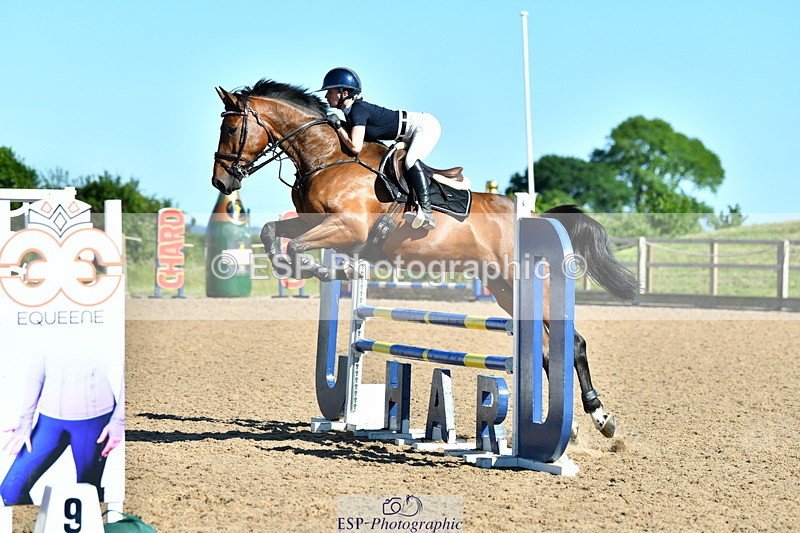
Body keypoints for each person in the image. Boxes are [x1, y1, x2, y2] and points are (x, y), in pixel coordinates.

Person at [320, 67, 441, 230]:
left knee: (411, 161)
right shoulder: (352, 111)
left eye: (330, 91)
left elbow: (355, 147)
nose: (326, 96)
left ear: (345, 92)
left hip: (424, 127)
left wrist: (338, 126)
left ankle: (427, 212)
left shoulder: (357, 110)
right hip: (406, 133)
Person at [0, 350, 124, 505]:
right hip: (49, 421)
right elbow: (38, 366)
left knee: (88, 493)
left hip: (93, 420)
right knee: (10, 491)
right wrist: (25, 419)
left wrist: (119, 421)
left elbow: (130, 369)